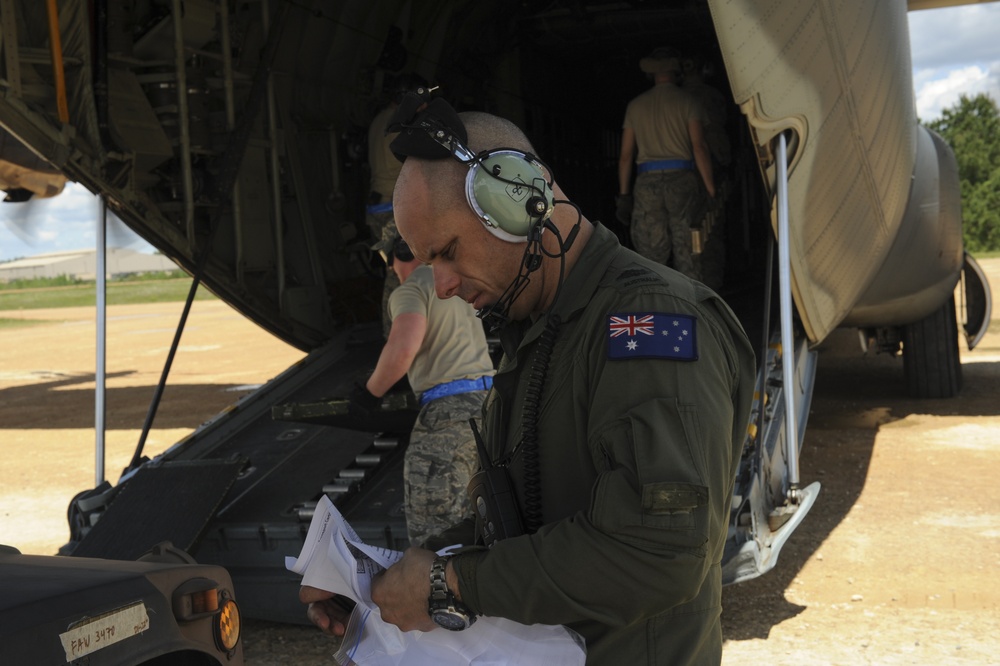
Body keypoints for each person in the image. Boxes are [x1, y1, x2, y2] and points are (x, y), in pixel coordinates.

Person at [304, 105, 755, 665]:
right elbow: (529, 521)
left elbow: (658, 550)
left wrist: (452, 582)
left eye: (446, 253)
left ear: (519, 202)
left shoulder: (643, 322)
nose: (439, 285)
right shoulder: (542, 332)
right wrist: (381, 586)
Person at [351, 234, 494, 547]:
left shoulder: (412, 287)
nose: (392, 271)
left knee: (436, 538)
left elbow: (404, 345)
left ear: (402, 252)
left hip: (447, 418)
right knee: (477, 527)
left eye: (390, 262)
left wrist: (370, 392)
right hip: (490, 410)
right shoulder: (457, 281)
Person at [617, 47, 716, 281]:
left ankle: (655, 306)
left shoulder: (635, 106)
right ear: (676, 71)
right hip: (682, 181)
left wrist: (624, 195)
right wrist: (710, 189)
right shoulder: (688, 102)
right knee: (688, 250)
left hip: (647, 184)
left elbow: (625, 155)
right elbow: (699, 147)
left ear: (651, 74)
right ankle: (691, 308)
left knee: (650, 254)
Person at [366, 73, 430, 337]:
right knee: (404, 278)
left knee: (395, 274)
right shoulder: (401, 126)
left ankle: (396, 337)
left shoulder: (379, 121)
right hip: (395, 212)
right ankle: (398, 339)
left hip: (380, 207)